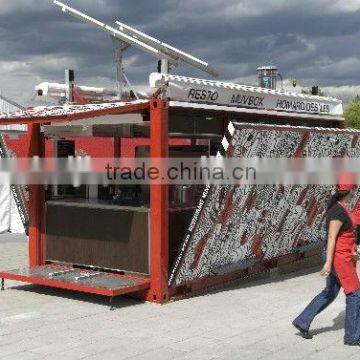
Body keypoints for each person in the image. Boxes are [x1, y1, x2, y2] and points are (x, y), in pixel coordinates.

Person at [293, 175, 360, 346]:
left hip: (344, 256)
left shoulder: (342, 208)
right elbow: (331, 238)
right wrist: (329, 262)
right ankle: (353, 336)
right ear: (350, 190)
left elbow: (345, 235)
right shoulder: (338, 211)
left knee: (330, 292)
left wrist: (354, 250)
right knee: (355, 295)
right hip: (339, 259)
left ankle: (302, 320)